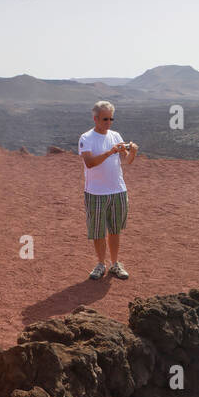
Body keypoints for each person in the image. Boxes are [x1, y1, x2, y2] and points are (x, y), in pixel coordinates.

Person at [78, 100, 137, 280]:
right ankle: (100, 264)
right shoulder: (86, 138)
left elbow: (126, 161)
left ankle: (115, 264)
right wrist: (110, 152)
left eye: (111, 118)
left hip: (118, 190)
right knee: (98, 231)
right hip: (96, 192)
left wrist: (132, 152)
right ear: (95, 119)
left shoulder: (116, 135)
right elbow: (89, 163)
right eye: (105, 119)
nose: (109, 122)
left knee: (114, 229)